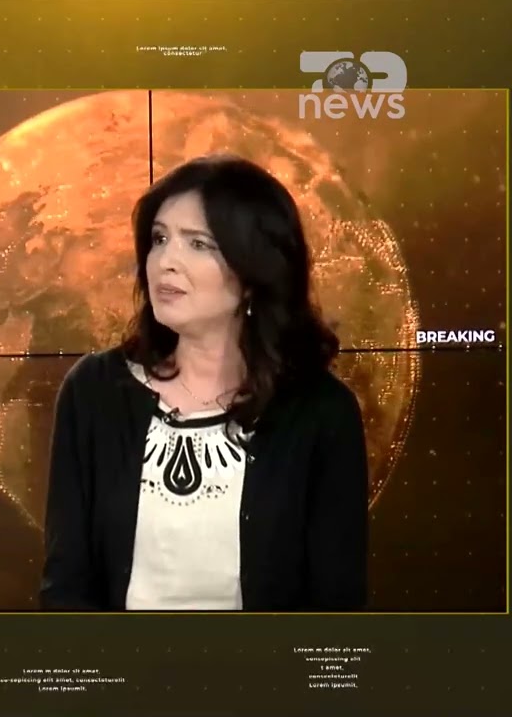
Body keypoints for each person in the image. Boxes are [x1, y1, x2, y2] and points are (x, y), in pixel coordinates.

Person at [39, 154, 368, 612]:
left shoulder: (320, 412)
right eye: (159, 239)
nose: (165, 262)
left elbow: (336, 605)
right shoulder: (94, 391)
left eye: (198, 244)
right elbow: (66, 588)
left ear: (253, 274)